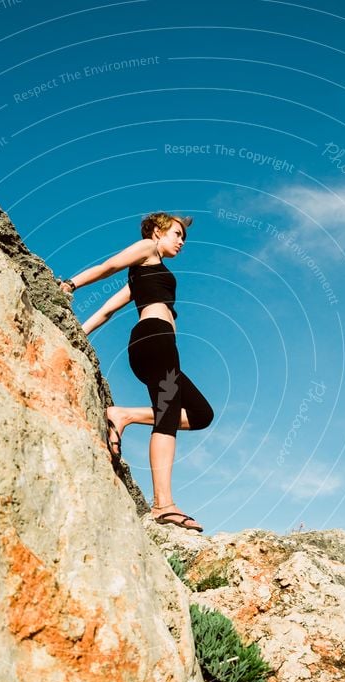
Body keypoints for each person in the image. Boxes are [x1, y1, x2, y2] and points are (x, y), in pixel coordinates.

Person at [59, 212, 213, 532]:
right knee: (168, 417)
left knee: (200, 414)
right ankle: (163, 506)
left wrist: (77, 337)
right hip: (154, 340)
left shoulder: (142, 280)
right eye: (176, 233)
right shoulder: (147, 249)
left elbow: (106, 311)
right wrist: (72, 283)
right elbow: (109, 266)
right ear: (156, 232)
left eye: (183, 236)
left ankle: (122, 415)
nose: (181, 241)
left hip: (155, 347)